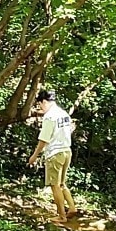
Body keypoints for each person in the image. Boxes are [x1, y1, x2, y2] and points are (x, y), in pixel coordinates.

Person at [27, 90, 79, 222]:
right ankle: (72, 208)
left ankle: (62, 216)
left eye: (40, 105)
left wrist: (34, 156)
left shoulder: (50, 116)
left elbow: (44, 138)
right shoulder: (64, 114)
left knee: (54, 185)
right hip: (67, 151)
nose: (40, 108)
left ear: (44, 101)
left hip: (55, 153)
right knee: (61, 183)